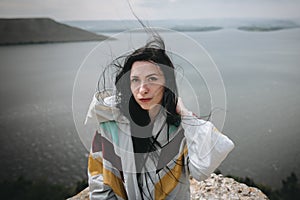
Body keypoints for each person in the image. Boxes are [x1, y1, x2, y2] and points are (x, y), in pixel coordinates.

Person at [85, 36, 234, 200]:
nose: (143, 89)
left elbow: (202, 170)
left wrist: (185, 114)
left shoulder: (181, 128)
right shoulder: (110, 126)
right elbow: (99, 186)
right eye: (135, 80)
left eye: (152, 79)